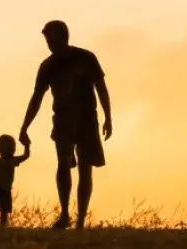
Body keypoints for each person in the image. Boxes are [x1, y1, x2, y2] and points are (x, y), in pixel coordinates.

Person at [18, 20, 113, 230]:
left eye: (52, 40)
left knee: (85, 168)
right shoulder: (47, 66)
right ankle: (64, 214)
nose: (49, 44)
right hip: (62, 120)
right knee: (63, 163)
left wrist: (108, 117)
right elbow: (36, 98)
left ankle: (80, 220)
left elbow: (101, 87)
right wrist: (25, 127)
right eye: (47, 41)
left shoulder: (86, 58)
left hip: (87, 119)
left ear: (63, 37)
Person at [0, 134, 30, 228]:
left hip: (5, 190)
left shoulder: (12, 161)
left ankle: (3, 224)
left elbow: (26, 156)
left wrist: (27, 145)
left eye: (12, 147)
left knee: (4, 209)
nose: (10, 150)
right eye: (6, 147)